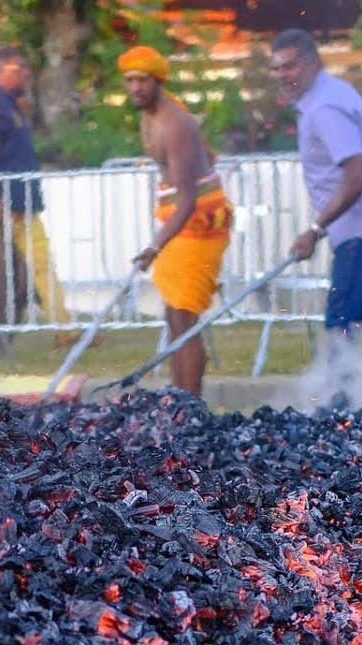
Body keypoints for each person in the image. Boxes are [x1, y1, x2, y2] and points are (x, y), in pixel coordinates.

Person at [271, 28, 362, 408]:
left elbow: (359, 173)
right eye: (277, 68)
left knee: (342, 320)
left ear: (313, 62)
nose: (283, 74)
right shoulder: (328, 96)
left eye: (291, 65)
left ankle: (338, 408)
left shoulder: (324, 108)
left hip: (360, 230)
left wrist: (314, 230)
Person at [119, 45, 232, 398]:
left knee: (185, 318)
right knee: (175, 317)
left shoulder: (174, 124)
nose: (136, 87)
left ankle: (190, 405)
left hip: (200, 224)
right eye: (130, 81)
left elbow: (187, 200)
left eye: (143, 80)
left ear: (158, 81)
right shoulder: (149, 117)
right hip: (180, 223)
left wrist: (155, 245)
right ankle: (179, 401)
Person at [0, 46, 78, 347]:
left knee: (42, 261)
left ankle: (65, 329)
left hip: (19, 204)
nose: (26, 73)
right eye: (18, 68)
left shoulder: (8, 104)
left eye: (27, 68)